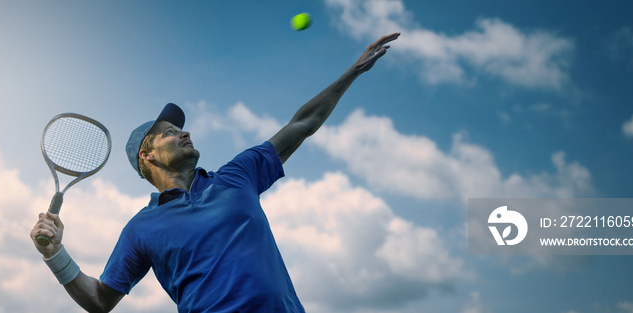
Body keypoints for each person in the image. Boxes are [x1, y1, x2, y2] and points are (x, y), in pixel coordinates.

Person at [30, 32, 400, 313]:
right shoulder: (141, 229)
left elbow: (303, 122)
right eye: (169, 133)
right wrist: (55, 254)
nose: (184, 132)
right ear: (148, 156)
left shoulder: (238, 175)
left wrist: (352, 72)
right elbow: (100, 300)